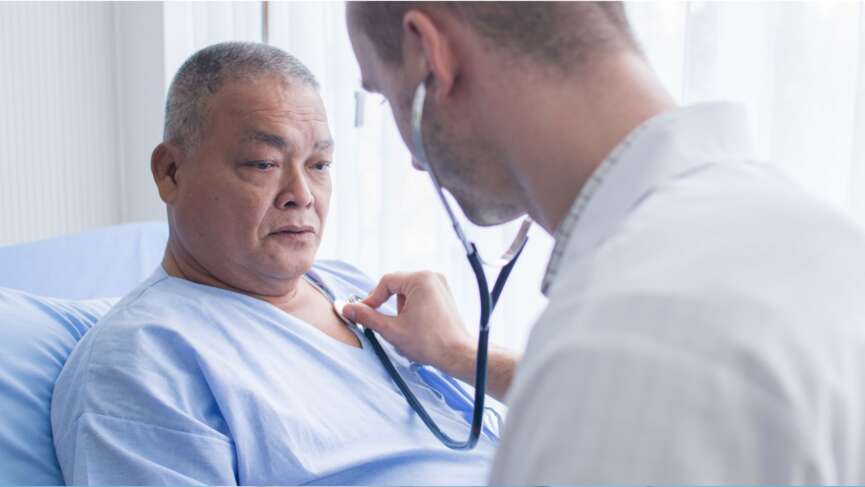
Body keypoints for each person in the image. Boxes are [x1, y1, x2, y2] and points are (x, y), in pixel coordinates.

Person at [344, 2, 865, 483]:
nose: (414, 160)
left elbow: (628, 376)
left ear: (428, 56)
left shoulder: (623, 342)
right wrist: (460, 354)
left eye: (386, 93)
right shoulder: (813, 237)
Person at [51, 42, 505, 485]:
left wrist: (457, 353)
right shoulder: (143, 361)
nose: (302, 194)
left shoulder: (352, 287)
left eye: (320, 165)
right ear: (171, 171)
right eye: (264, 163)